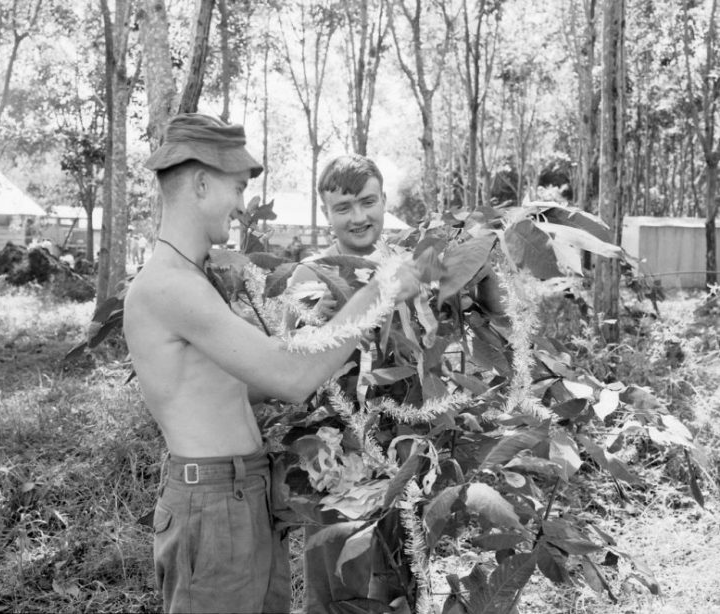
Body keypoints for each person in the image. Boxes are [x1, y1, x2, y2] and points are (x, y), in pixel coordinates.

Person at [122, 114, 422, 614]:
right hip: (213, 502)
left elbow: (245, 388)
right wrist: (380, 291)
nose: (243, 206)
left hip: (245, 490)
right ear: (200, 183)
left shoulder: (195, 281)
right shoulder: (169, 285)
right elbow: (288, 378)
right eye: (237, 188)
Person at [287, 154, 506, 613]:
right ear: (325, 213)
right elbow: (294, 364)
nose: (359, 216)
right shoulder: (312, 274)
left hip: (405, 451)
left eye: (368, 202)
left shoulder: (411, 262)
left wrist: (479, 258)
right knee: (335, 584)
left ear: (385, 200)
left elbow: (491, 311)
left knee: (397, 578)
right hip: (336, 457)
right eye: (343, 207)